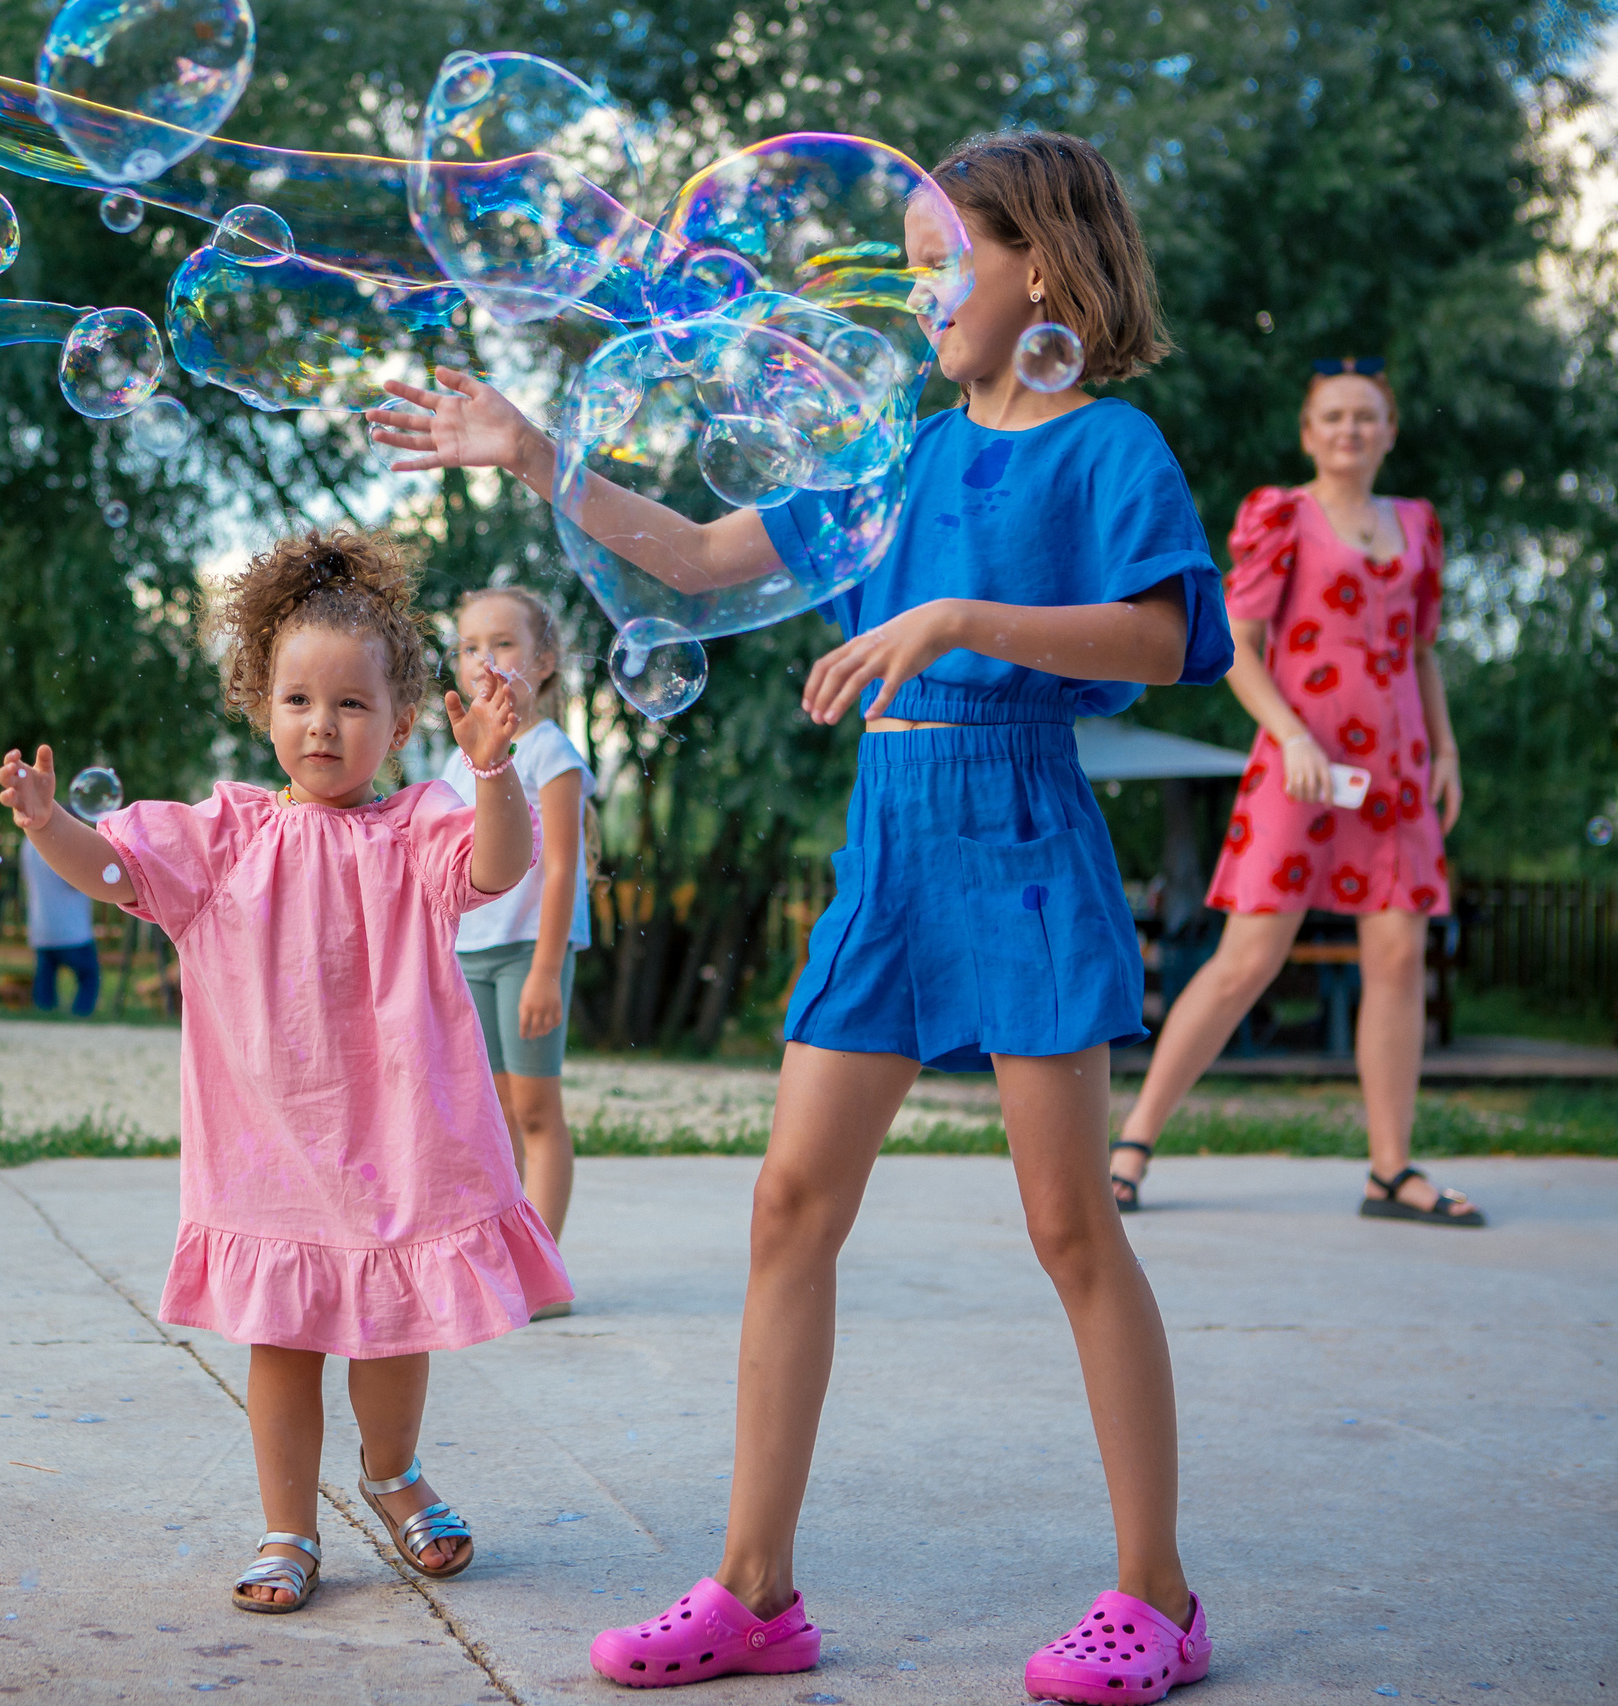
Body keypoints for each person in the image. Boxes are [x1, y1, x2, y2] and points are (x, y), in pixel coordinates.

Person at [371, 131, 1230, 1702]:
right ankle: (755, 1592)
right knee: (788, 1204)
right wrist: (535, 455)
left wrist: (961, 616)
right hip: (891, 842)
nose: (918, 290)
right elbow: (698, 556)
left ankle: (1158, 1596)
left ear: (1038, 265)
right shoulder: (891, 452)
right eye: (903, 258)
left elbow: (1170, 637)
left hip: (1020, 823)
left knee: (1064, 1219)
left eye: (940, 255)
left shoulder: (1110, 447)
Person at [0, 528, 570, 1616]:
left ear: (401, 723)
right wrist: (48, 823)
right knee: (286, 1341)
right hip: (272, 1146)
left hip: (400, 1140)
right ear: (260, 705)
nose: (323, 723)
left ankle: (392, 1472)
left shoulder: (418, 828)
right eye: (299, 699)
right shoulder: (221, 838)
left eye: (353, 705)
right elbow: (113, 868)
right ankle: (288, 1524)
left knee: (397, 1332)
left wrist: (492, 768)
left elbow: (500, 866)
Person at [1109, 361, 1479, 1225]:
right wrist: (1293, 737)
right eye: (1334, 417)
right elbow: (1237, 642)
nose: (1350, 429)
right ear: (1309, 433)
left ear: (1390, 431)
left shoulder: (1419, 527)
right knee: (1246, 961)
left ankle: (1390, 1172)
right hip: (1298, 762)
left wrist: (1447, 752)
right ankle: (1133, 1146)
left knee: (1398, 958)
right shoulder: (1283, 516)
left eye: (1367, 416)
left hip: (1395, 772)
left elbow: (1421, 652)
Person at [440, 586, 595, 1294]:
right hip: (468, 954)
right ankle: (502, 1264)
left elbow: (564, 865)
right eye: (470, 646)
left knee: (535, 1110)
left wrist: (543, 970)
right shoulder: (460, 760)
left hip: (530, 951)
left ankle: (544, 1275)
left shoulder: (549, 752)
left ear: (545, 660)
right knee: (494, 1115)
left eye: (502, 644)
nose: (484, 660)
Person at [21, 829, 101, 1016]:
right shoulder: (66, 840)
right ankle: (79, 1019)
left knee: (44, 985)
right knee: (89, 976)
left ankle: (44, 1023)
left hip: (41, 926)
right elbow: (76, 880)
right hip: (72, 930)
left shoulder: (28, 842)